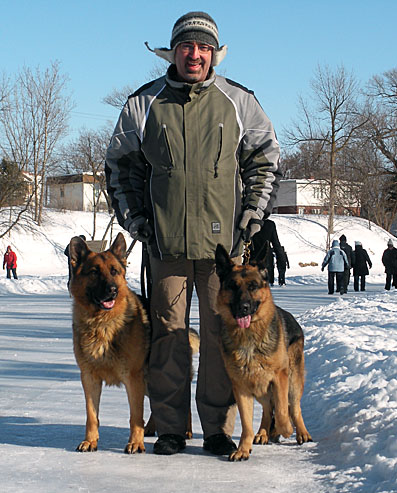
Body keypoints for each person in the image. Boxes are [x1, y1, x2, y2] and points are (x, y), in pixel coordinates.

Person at [105, 11, 281, 456]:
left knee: (223, 334)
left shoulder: (239, 101)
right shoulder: (144, 104)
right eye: (187, 46)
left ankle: (217, 428)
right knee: (168, 336)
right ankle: (168, 427)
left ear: (214, 54)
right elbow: (118, 166)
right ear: (174, 51)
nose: (195, 54)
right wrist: (137, 220)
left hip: (224, 251)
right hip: (166, 245)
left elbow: (266, 161)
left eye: (203, 47)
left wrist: (251, 220)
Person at [251, 219, 286, 288]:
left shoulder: (248, 222)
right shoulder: (269, 224)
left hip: (250, 260)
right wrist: (282, 275)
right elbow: (276, 245)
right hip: (267, 262)